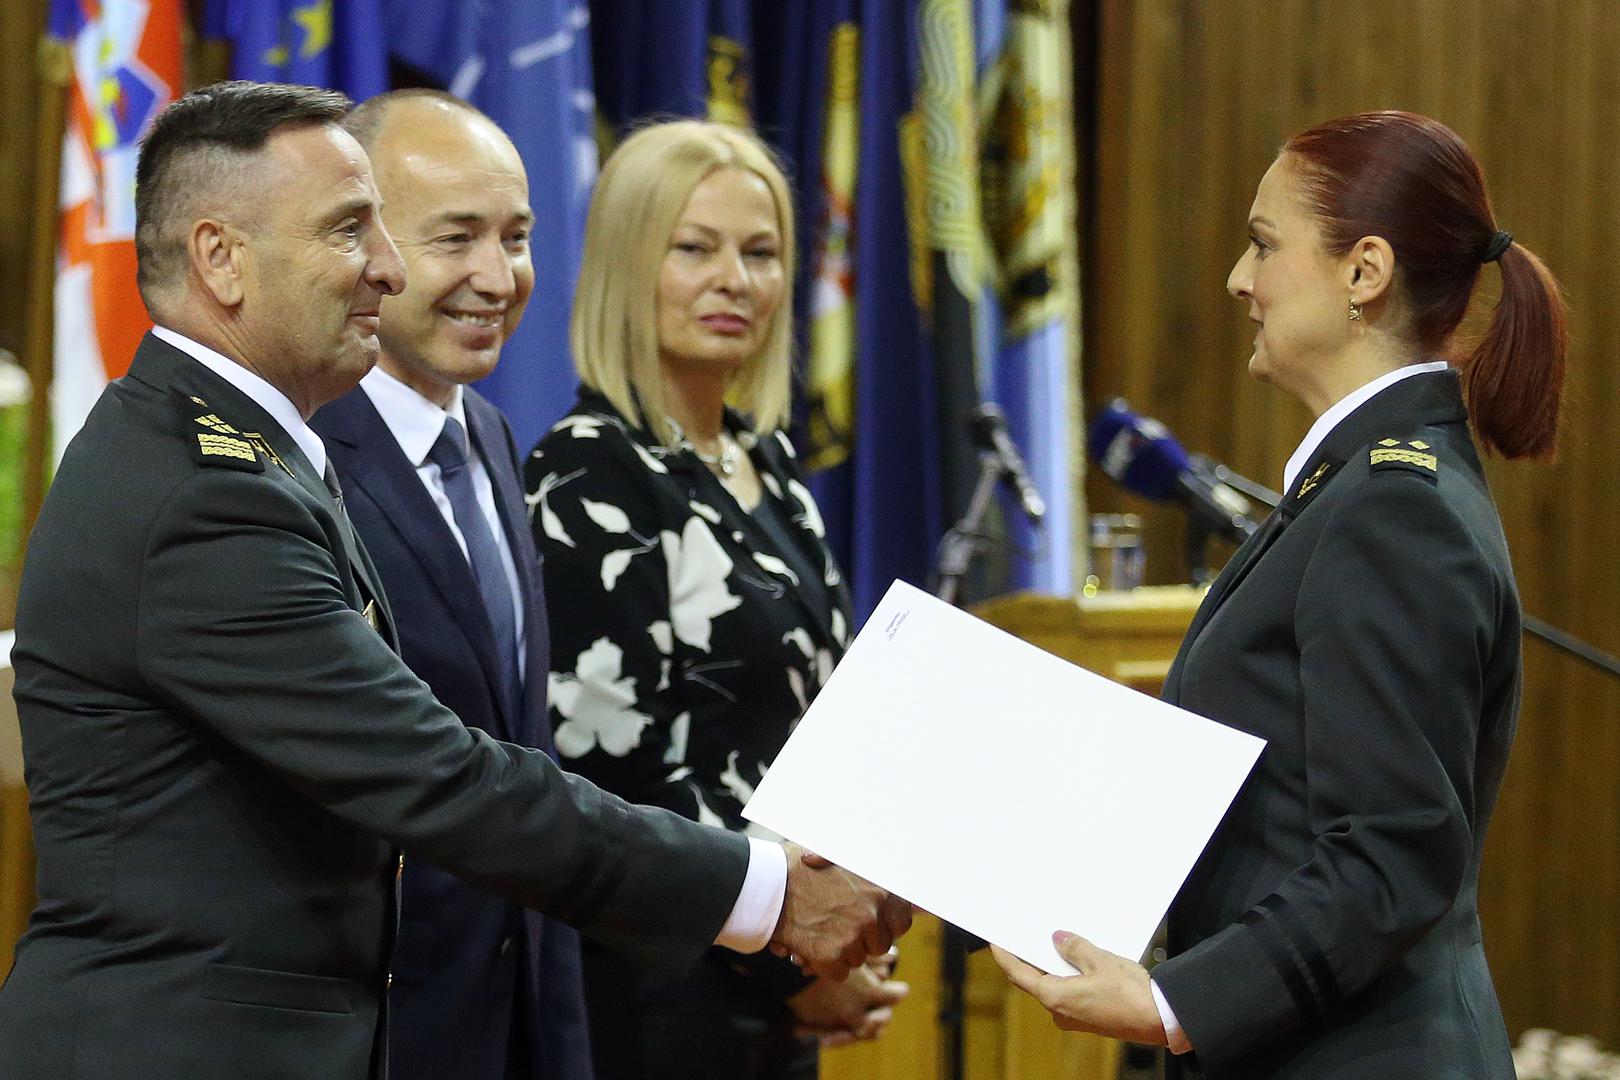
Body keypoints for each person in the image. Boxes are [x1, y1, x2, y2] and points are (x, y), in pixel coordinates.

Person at [0, 81, 909, 1080]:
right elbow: (437, 774)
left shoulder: (249, 452)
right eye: (349, 230)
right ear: (221, 258)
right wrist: (766, 895)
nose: (385, 267)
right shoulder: (207, 493)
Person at [994, 110, 1566, 1079]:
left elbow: (1392, 852)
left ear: (1364, 272)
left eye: (1263, 244)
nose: (1238, 279)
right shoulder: (1359, 486)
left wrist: (1174, 1002)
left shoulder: (1392, 506)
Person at [525, 119, 907, 1080]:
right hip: (661, 994)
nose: (734, 280)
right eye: (694, 248)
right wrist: (787, 965)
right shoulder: (588, 473)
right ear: (627, 266)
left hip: (779, 979)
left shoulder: (764, 462)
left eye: (761, 253)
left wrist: (843, 929)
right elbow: (612, 773)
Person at [308, 90, 589, 1080]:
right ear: (364, 246)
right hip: (374, 1033)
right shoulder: (299, 457)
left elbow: (526, 756)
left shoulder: (494, 437)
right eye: (456, 237)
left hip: (512, 1027)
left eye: (516, 237)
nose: (498, 277)